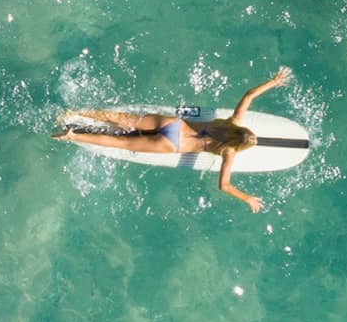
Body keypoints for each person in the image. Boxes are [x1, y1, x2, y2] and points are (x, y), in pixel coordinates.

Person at [54, 67, 293, 213]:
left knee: (125, 120)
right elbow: (224, 186)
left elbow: (249, 95)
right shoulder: (228, 152)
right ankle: (72, 134)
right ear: (238, 146)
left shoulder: (233, 121)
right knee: (124, 143)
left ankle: (77, 112)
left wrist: (273, 81)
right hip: (174, 145)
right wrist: (246, 198)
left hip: (174, 125)